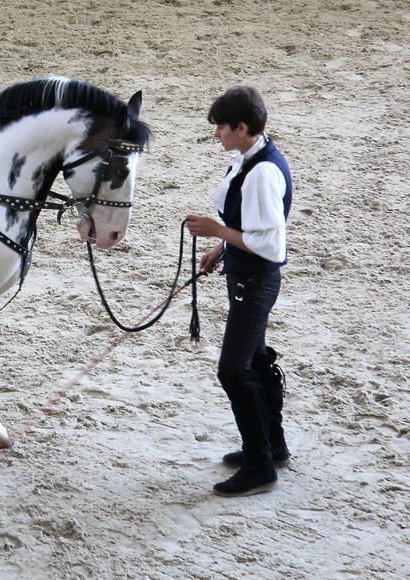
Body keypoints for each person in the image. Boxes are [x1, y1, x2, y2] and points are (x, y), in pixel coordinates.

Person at [185, 86, 292, 497]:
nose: (217, 135)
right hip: (246, 274)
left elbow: (271, 244)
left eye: (221, 128)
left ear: (242, 127)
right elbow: (254, 226)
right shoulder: (254, 157)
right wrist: (222, 246)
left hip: (257, 279)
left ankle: (260, 463)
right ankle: (273, 445)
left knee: (233, 369)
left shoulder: (262, 171)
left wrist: (218, 232)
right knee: (257, 357)